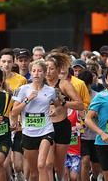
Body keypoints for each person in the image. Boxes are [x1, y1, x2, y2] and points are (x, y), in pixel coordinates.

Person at [11, 60, 59, 181]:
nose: (36, 73)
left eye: (39, 71)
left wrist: (54, 109)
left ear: (44, 73)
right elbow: (14, 112)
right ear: (30, 73)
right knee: (33, 173)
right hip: (28, 132)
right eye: (33, 71)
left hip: (46, 130)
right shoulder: (22, 89)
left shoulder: (51, 91)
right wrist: (27, 100)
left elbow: (58, 103)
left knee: (41, 164)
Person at [44, 53, 84, 181]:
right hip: (46, 127)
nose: (48, 72)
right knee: (48, 163)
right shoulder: (40, 85)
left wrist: (62, 103)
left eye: (51, 68)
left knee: (59, 166)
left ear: (57, 70)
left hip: (62, 125)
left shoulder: (64, 85)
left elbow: (80, 104)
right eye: (46, 68)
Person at [77, 70, 101, 181]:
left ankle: (94, 177)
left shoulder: (98, 96)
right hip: (82, 135)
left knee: (96, 165)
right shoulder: (75, 96)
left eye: (86, 84)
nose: (84, 87)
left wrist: (94, 114)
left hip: (96, 135)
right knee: (85, 161)